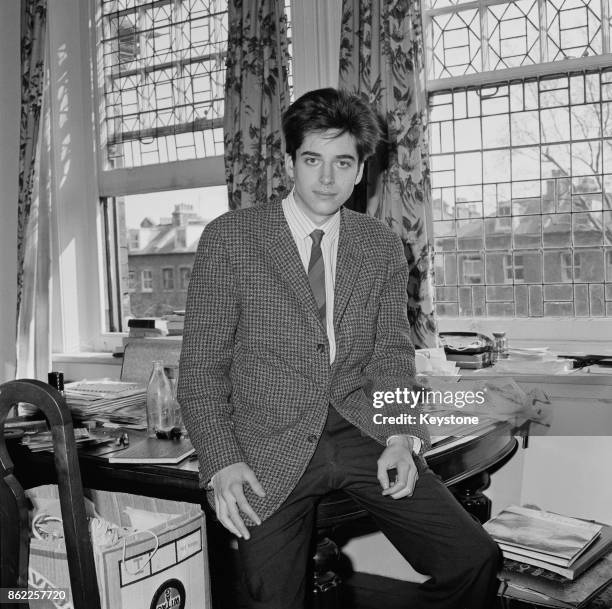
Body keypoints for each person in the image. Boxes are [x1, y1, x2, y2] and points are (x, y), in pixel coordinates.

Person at [177, 87, 500, 609]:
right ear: (289, 163)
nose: (327, 178)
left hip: (360, 429)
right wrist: (221, 461)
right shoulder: (231, 239)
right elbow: (201, 371)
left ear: (360, 169)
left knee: (474, 557)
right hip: (265, 443)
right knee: (271, 600)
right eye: (312, 160)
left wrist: (400, 436)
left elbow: (391, 356)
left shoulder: (378, 245)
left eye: (342, 162)